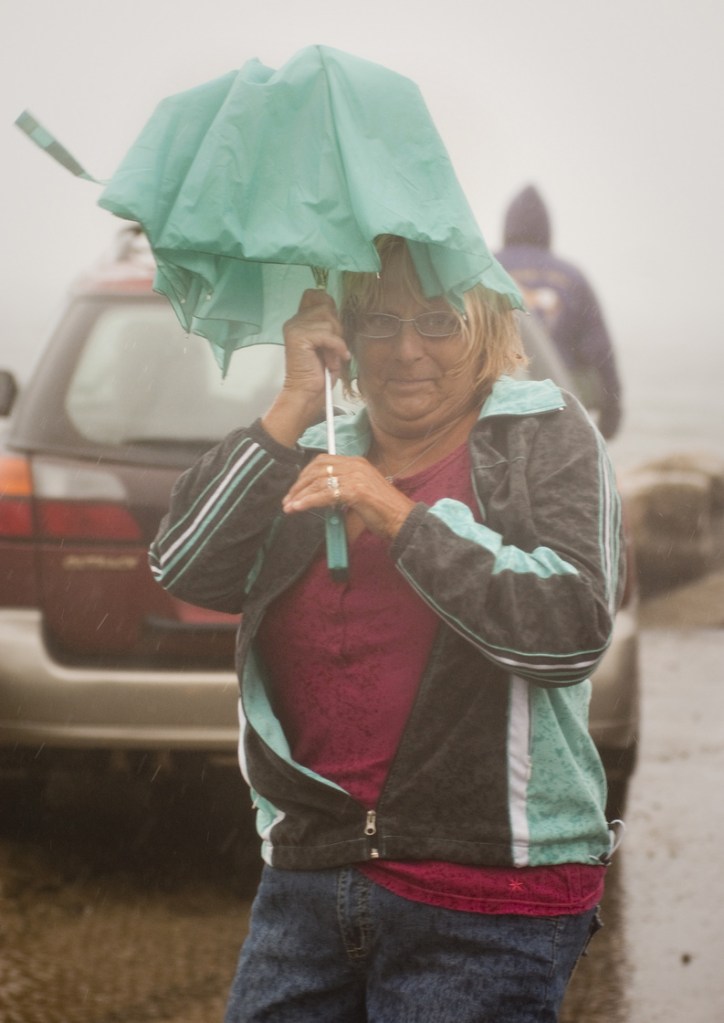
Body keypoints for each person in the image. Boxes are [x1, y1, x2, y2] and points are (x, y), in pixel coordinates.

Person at [149, 234, 625, 1022]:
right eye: (379, 322)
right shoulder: (313, 449)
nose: (407, 349)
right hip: (310, 873)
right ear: (347, 337)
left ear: (485, 328)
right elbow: (185, 567)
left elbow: (570, 628)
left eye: (437, 321)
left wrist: (396, 513)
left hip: (488, 893)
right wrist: (294, 403)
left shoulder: (541, 434)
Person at [496, 184, 623, 440]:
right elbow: (599, 350)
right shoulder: (573, 277)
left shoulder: (487, 267)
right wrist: (612, 408)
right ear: (547, 228)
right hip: (560, 403)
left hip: (500, 402)